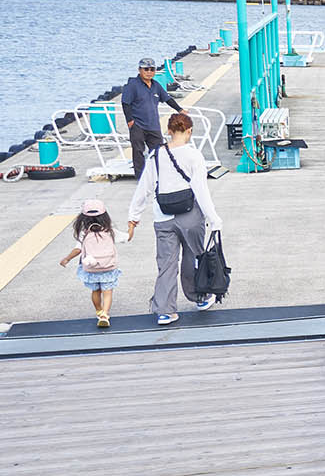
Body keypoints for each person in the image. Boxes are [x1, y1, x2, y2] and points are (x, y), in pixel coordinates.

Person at [127, 110, 222, 326]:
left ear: (168, 131)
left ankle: (165, 311)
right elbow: (200, 190)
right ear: (189, 131)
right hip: (190, 216)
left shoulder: (155, 154)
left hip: (163, 216)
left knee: (166, 264)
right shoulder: (194, 156)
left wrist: (134, 216)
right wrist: (213, 217)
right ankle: (200, 297)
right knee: (194, 257)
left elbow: (144, 187)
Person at [59, 198, 121, 328]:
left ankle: (98, 311)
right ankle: (105, 313)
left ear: (83, 218)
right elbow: (127, 237)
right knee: (108, 292)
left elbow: (78, 249)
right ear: (105, 216)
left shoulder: (84, 233)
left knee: (96, 291)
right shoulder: (110, 231)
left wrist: (67, 258)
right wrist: (132, 227)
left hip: (91, 267)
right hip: (108, 267)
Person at [119, 56, 184, 178]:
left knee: (158, 151)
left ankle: (159, 175)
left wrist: (180, 110)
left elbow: (167, 99)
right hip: (137, 124)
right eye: (146, 69)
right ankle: (141, 177)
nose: (149, 72)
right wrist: (130, 121)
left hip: (153, 125)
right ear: (140, 70)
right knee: (138, 151)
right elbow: (125, 103)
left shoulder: (156, 85)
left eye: (152, 69)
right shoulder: (132, 85)